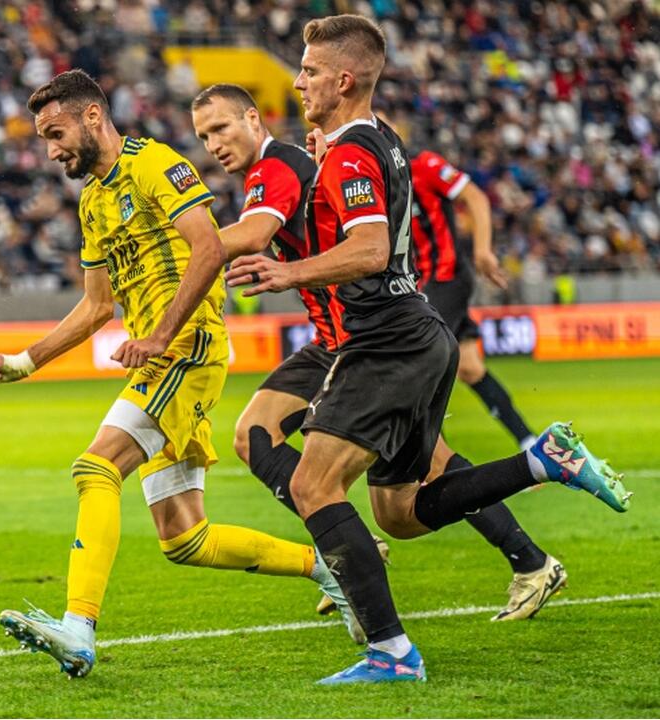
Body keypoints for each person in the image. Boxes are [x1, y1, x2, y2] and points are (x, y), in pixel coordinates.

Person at [224, 15, 631, 684]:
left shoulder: (353, 151)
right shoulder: (378, 139)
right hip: (413, 334)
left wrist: (286, 271)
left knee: (311, 483)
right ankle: (542, 461)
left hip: (385, 337)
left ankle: (391, 651)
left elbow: (370, 249)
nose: (298, 81)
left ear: (345, 79)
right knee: (401, 513)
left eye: (311, 71)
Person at [0, 69, 359, 680]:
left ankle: (78, 628)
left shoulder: (154, 164)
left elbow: (208, 246)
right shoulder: (93, 199)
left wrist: (158, 335)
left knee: (96, 466)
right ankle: (336, 569)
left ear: (93, 117)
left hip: (185, 347)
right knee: (185, 538)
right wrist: (25, 361)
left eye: (55, 132)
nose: (50, 150)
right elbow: (98, 305)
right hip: (165, 353)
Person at [191, 83, 567, 623]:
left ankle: (516, 557)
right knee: (259, 434)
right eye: (204, 136)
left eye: (221, 128)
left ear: (253, 119)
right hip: (335, 340)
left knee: (418, 471)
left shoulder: (279, 167)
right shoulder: (292, 164)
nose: (213, 143)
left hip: (367, 340)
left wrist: (163, 240)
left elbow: (254, 234)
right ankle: (513, 556)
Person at [410, 148, 536, 450]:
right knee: (469, 368)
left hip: (446, 276)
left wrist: (483, 250)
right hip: (422, 283)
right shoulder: (374, 175)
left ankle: (434, 468)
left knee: (415, 364)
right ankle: (529, 443)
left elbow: (476, 197)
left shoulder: (422, 164)